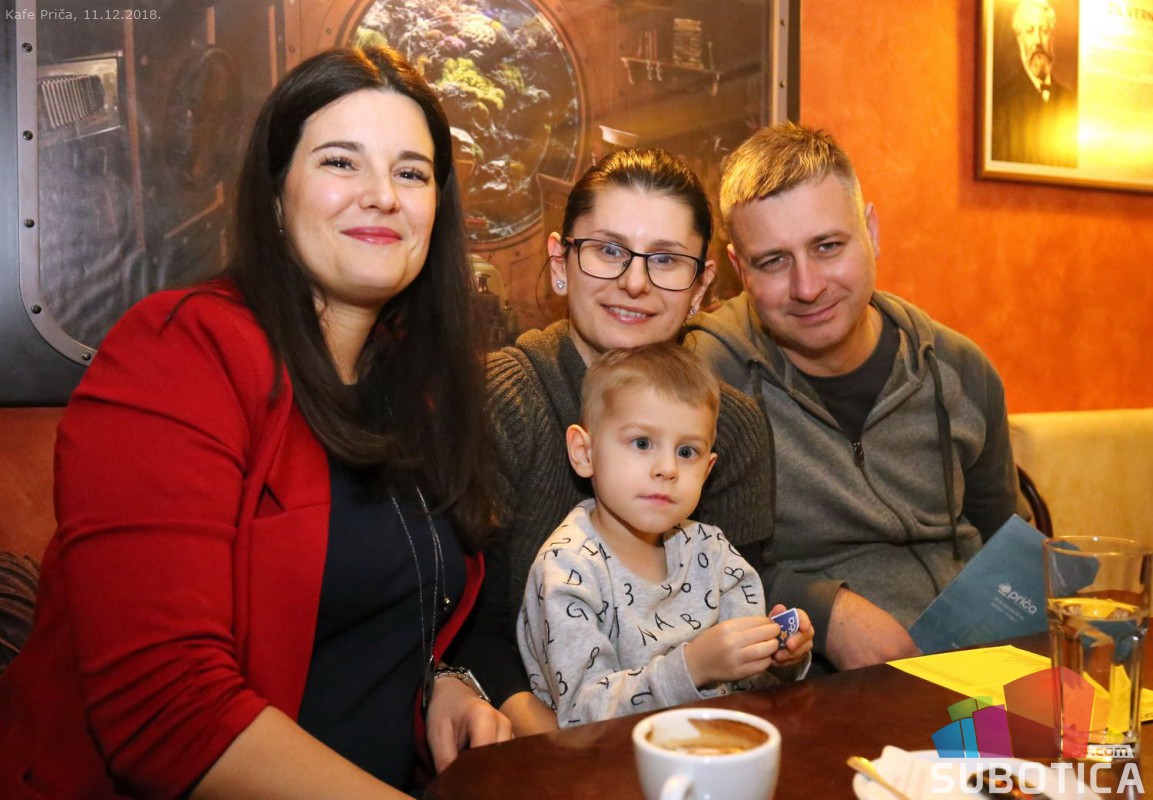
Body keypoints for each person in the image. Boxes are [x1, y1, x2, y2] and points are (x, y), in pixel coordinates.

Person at [0, 46, 511, 798]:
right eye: (341, 162)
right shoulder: (178, 350)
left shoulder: (416, 384)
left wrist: (442, 683)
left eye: (411, 173)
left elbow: (379, 609)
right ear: (275, 197)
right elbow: (165, 710)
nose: (382, 196)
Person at [454, 148, 814, 735]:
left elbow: (736, 622)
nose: (635, 282)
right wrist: (569, 753)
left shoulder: (732, 423)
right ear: (561, 262)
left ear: (700, 285)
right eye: (608, 250)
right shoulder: (503, 398)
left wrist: (776, 650)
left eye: (666, 260)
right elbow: (470, 628)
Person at [686, 122, 1021, 671]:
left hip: (971, 671)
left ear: (871, 232)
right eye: (773, 261)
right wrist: (825, 610)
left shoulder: (961, 369)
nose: (808, 287)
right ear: (740, 269)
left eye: (827, 246)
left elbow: (1005, 543)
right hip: (807, 686)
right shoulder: (707, 379)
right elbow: (684, 567)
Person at [518, 343, 807, 727]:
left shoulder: (714, 552)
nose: (668, 468)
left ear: (707, 470)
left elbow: (749, 686)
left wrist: (779, 657)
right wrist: (693, 667)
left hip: (717, 743)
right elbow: (583, 713)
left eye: (687, 452)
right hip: (608, 756)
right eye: (642, 443)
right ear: (584, 453)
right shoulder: (567, 570)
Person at [991, 0, 1077, 167]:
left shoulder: (1070, 100)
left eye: (1044, 31)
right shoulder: (1001, 103)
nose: (1038, 40)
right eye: (1030, 31)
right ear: (1020, 39)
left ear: (1052, 38)